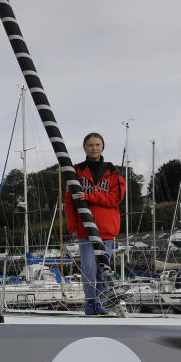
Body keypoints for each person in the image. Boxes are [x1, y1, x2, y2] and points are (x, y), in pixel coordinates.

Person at [64, 132, 125, 315]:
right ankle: (90, 303)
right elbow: (69, 201)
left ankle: (100, 303)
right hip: (85, 230)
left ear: (102, 147)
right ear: (84, 147)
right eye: (90, 145)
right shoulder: (75, 171)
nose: (94, 148)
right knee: (89, 267)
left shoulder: (114, 172)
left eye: (97, 144)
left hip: (106, 229)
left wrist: (90, 196)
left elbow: (116, 198)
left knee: (102, 270)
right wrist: (73, 226)